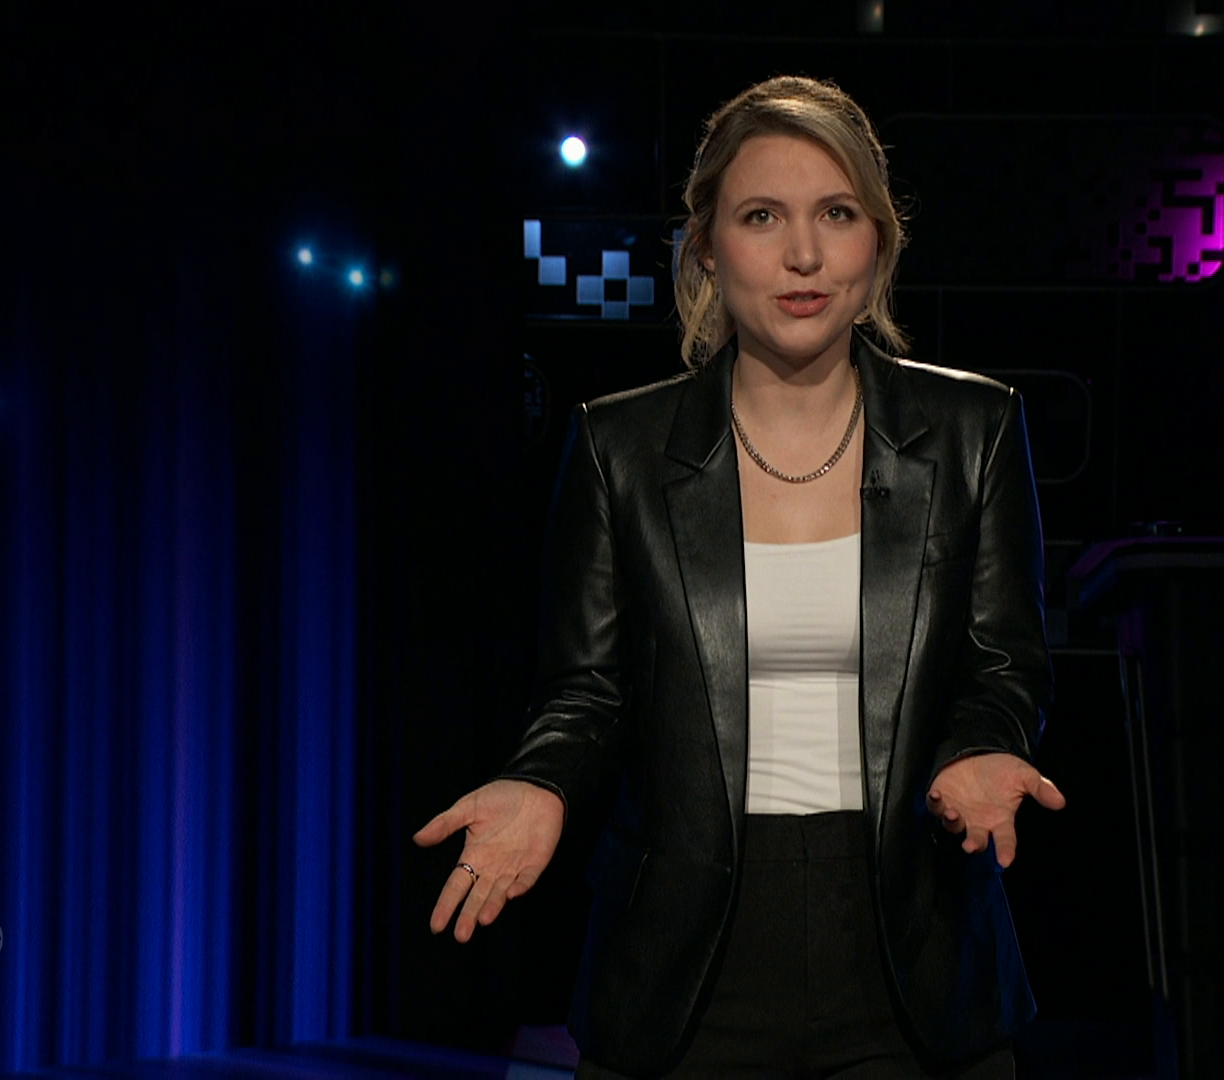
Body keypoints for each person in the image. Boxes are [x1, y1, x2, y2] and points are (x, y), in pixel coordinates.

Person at [415, 75, 1064, 1078]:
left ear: (878, 243)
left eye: (837, 214)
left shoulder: (975, 429)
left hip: (916, 949)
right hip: (681, 962)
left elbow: (1003, 663)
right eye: (763, 216)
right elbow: (585, 693)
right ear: (709, 248)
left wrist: (980, 748)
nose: (803, 254)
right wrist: (540, 781)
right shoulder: (619, 447)